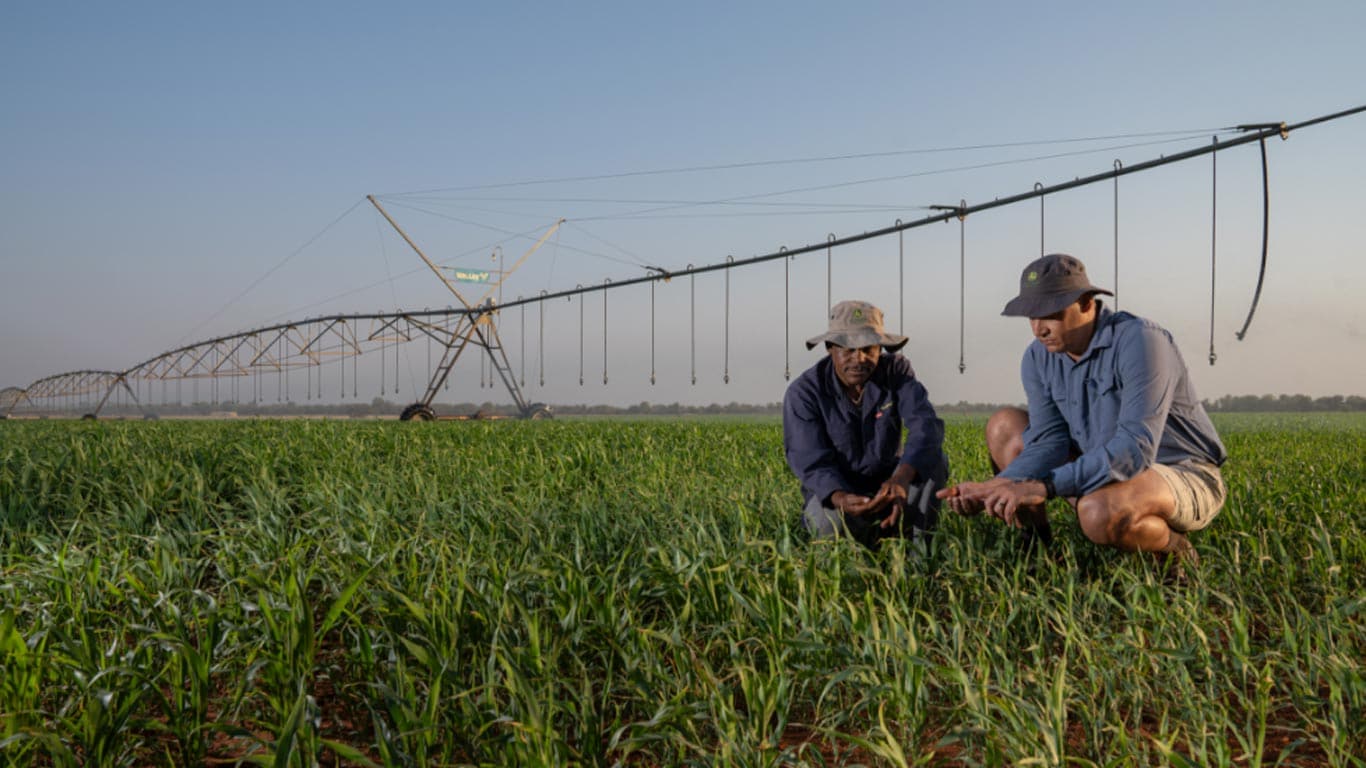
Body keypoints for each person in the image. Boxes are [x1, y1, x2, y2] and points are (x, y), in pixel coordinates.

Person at [938, 253, 1227, 571]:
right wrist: (997, 487)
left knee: (1097, 512)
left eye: (1049, 314)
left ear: (1087, 303)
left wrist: (1042, 486)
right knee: (1005, 424)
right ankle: (1037, 550)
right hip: (1103, 470)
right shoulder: (1038, 357)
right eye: (1030, 317)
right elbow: (1049, 441)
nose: (1038, 329)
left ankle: (1174, 551)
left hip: (1177, 472)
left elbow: (1134, 450)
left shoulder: (1140, 340)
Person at [783, 300, 949, 550]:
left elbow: (925, 427)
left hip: (889, 484)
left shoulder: (896, 372)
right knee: (827, 528)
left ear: (880, 349)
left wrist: (901, 479)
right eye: (848, 350)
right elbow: (810, 460)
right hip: (836, 490)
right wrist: (840, 497)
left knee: (936, 459)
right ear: (830, 347)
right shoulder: (805, 392)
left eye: (868, 349)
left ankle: (919, 552)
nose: (858, 359)